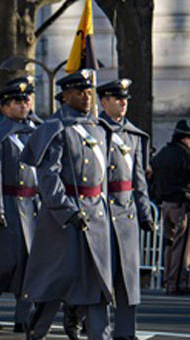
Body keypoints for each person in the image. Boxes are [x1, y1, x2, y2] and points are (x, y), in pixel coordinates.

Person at [20, 70, 114, 340]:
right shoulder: (55, 129)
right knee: (56, 279)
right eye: (80, 92)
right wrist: (66, 210)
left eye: (89, 92)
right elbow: (49, 177)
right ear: (65, 95)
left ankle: (100, 335)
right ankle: (36, 330)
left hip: (95, 212)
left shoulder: (97, 127)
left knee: (98, 279)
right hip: (64, 218)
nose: (87, 97)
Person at [97, 79, 154, 340]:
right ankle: (97, 329)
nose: (123, 102)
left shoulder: (134, 135)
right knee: (100, 277)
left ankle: (125, 332)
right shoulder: (93, 131)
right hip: (100, 214)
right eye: (116, 98)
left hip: (126, 213)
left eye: (125, 98)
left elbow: (138, 179)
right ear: (103, 102)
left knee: (128, 279)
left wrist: (145, 212)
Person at [0, 82, 40, 334]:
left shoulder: (32, 132)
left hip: (31, 205)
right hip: (8, 204)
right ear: (4, 107)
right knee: (1, 264)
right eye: (17, 102)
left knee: (31, 264)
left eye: (26, 101)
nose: (24, 105)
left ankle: (23, 317)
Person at [152, 119, 190, 295]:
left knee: (169, 244)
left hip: (164, 205)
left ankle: (168, 281)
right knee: (180, 246)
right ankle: (177, 283)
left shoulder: (163, 153)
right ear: (185, 138)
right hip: (180, 205)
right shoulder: (185, 156)